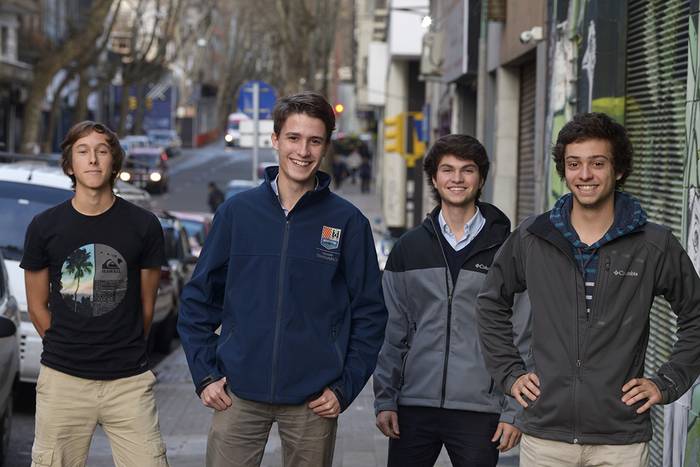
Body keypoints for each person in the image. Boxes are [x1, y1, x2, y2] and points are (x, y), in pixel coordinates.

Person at [477, 112, 700, 467]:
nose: (585, 175)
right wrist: (509, 373)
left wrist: (667, 382)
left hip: (620, 439)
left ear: (619, 169)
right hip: (546, 435)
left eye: (597, 163)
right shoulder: (533, 237)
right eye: (574, 164)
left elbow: (696, 315)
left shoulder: (653, 244)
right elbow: (490, 304)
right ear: (563, 171)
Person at [178, 91, 387, 467]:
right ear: (275, 140)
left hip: (314, 401)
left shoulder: (348, 223)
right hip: (237, 394)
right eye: (293, 138)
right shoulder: (236, 214)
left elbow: (371, 314)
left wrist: (344, 388)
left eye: (314, 141)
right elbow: (197, 301)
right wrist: (206, 374)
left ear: (325, 148)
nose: (302, 151)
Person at [373, 134, 528, 467]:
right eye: (448, 170)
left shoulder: (510, 250)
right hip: (413, 405)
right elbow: (391, 331)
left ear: (481, 178)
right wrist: (385, 399)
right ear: (434, 178)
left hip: (480, 408)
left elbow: (524, 335)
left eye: (467, 170)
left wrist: (514, 411)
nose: (457, 179)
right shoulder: (408, 248)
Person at [21, 121, 168, 467]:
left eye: (102, 151)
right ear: (70, 165)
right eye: (83, 152)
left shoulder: (144, 226)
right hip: (63, 381)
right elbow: (37, 305)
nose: (93, 160)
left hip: (128, 382)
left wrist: (119, 348)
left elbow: (146, 306)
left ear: (114, 164)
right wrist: (69, 347)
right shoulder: (44, 227)